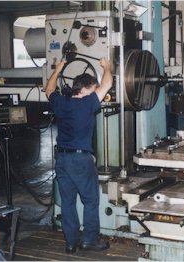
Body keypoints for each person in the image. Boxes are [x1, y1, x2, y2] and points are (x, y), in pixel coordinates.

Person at [45, 58, 112, 253]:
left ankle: (71, 242)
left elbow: (48, 90)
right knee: (90, 200)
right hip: (80, 159)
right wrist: (107, 67)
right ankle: (89, 239)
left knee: (67, 202)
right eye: (93, 90)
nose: (96, 94)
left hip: (62, 160)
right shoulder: (86, 104)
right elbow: (107, 84)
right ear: (83, 90)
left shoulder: (61, 102)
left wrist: (57, 70)